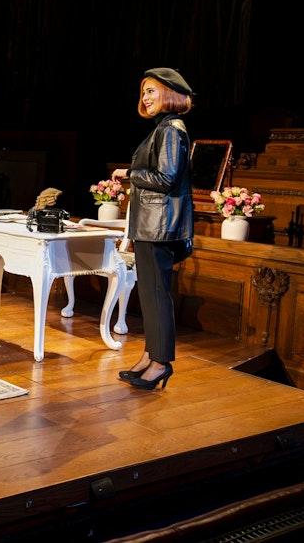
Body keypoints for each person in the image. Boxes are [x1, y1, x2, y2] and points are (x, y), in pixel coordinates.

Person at [112, 67, 194, 391]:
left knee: (157, 296)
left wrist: (130, 173)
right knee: (149, 295)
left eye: (152, 91)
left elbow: (166, 178)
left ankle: (161, 363)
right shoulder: (162, 128)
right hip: (150, 226)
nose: (145, 98)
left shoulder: (172, 129)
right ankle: (151, 355)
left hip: (160, 228)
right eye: (143, 92)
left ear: (170, 94)